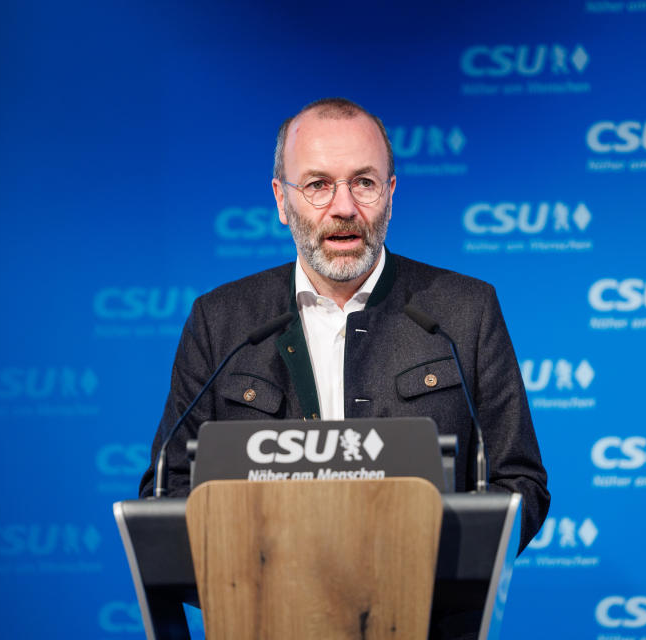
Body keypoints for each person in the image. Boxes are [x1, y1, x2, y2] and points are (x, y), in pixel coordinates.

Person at [139, 97, 549, 551]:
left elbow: (519, 484)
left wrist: (426, 552)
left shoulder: (465, 312)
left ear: (390, 194)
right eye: (318, 184)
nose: (344, 207)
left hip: (426, 613)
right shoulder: (221, 322)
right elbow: (167, 488)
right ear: (281, 198)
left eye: (364, 183)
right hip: (265, 612)